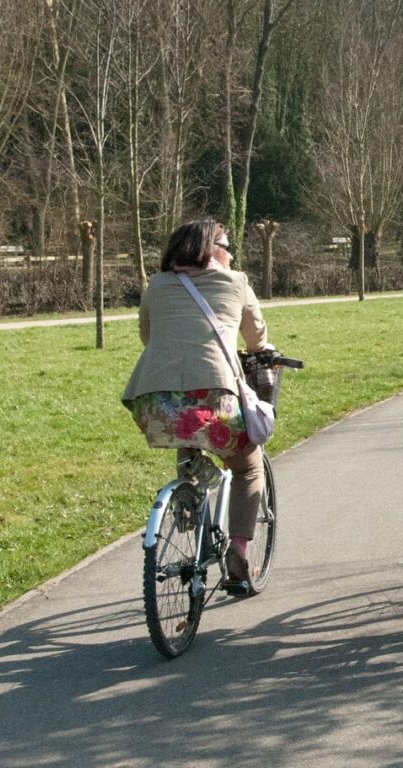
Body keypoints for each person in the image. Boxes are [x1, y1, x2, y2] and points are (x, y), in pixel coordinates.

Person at [123, 220, 271, 596]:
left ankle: (188, 502)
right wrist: (259, 356)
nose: (231, 252)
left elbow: (147, 335)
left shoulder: (156, 286)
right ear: (210, 249)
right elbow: (256, 336)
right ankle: (237, 551)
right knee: (247, 466)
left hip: (155, 403)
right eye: (226, 244)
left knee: (188, 436)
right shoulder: (235, 281)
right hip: (215, 399)